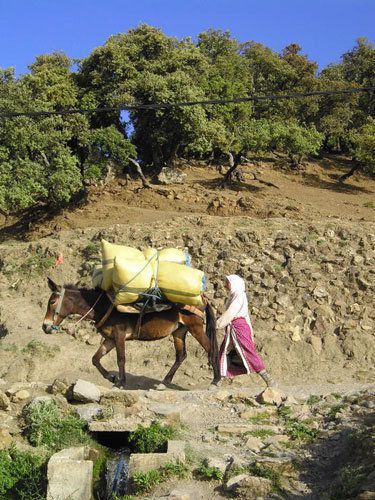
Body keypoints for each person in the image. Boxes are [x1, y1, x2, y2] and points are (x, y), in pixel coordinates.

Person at [216, 274, 275, 387]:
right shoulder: (234, 295)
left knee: (248, 352)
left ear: (234, 283)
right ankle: (218, 381)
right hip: (233, 327)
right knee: (225, 352)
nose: (226, 285)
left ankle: (268, 379)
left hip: (238, 328)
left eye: (228, 282)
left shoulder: (239, 295)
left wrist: (218, 324)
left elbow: (232, 312)